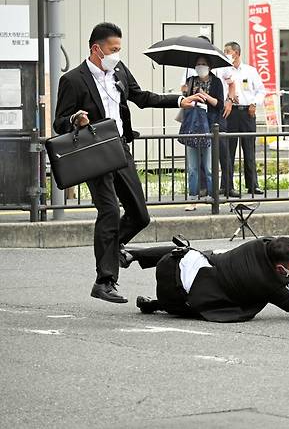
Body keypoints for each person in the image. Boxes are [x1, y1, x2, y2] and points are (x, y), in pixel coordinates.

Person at [53, 22, 203, 304]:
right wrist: (76, 120)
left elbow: (142, 97)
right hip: (93, 151)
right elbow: (59, 122)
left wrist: (179, 100)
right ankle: (104, 280)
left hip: (119, 148)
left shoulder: (119, 71)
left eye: (119, 49)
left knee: (139, 214)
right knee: (109, 211)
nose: (117, 55)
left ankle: (114, 249)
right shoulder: (73, 80)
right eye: (113, 49)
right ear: (96, 49)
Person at [122, 237, 289, 322]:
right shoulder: (268, 284)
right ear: (278, 268)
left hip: (171, 264)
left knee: (189, 252)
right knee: (204, 302)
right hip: (178, 298)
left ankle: (134, 255)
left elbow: (283, 270)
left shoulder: (258, 245)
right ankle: (157, 305)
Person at [178, 55, 229, 211]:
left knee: (208, 166)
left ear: (210, 67)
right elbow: (186, 103)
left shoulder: (216, 82)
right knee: (192, 167)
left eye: (204, 64)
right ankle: (192, 199)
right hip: (193, 125)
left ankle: (212, 197)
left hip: (209, 126)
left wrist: (205, 95)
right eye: (198, 64)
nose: (200, 66)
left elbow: (219, 104)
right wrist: (188, 93)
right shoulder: (191, 80)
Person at [222, 41, 266, 197]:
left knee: (249, 150)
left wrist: (254, 103)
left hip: (248, 112)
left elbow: (261, 91)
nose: (226, 53)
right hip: (230, 113)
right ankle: (227, 185)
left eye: (228, 51)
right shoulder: (223, 71)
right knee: (228, 151)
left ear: (237, 53)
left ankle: (252, 184)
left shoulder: (250, 71)